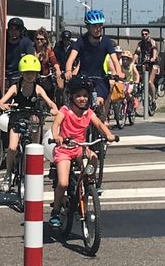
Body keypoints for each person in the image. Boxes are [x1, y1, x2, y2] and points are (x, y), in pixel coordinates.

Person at [48, 75, 117, 227]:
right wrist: (57, 136)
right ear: (71, 97)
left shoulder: (88, 113)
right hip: (64, 149)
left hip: (80, 147)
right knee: (63, 182)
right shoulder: (65, 111)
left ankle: (89, 181)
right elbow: (55, 125)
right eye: (78, 95)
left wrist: (108, 135)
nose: (82, 99)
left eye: (85, 96)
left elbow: (99, 124)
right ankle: (56, 211)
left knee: (93, 157)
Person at [0, 54, 58, 192]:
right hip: (17, 118)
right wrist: (3, 105)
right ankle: (8, 174)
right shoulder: (15, 87)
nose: (30, 75)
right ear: (22, 73)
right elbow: (2, 100)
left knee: (36, 146)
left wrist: (54, 108)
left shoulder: (38, 89)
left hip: (33, 119)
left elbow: (50, 102)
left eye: (32, 72)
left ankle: (32, 171)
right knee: (12, 147)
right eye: (27, 72)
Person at [65, 10, 124, 116]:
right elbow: (71, 59)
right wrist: (68, 71)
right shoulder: (81, 41)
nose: (98, 29)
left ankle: (100, 122)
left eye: (100, 25)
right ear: (88, 27)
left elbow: (115, 59)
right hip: (83, 78)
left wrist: (119, 72)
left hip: (100, 79)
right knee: (79, 104)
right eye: (94, 26)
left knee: (99, 101)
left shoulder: (106, 42)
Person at [34, 27, 63, 101]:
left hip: (45, 79)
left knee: (49, 99)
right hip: (33, 79)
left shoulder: (48, 51)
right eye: (37, 39)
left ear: (45, 40)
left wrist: (58, 70)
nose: (39, 41)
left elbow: (54, 62)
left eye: (41, 39)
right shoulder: (31, 49)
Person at [5, 17, 35, 89]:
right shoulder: (4, 42)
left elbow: (30, 59)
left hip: (20, 76)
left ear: (21, 30)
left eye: (16, 29)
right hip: (5, 76)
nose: (13, 31)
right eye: (11, 29)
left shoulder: (26, 42)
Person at [134, 28, 159, 103]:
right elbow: (136, 53)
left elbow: (154, 49)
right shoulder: (140, 43)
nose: (144, 35)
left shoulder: (152, 42)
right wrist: (133, 62)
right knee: (143, 82)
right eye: (142, 34)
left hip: (153, 64)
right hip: (144, 63)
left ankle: (154, 99)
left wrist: (153, 58)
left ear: (149, 34)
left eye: (146, 34)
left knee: (150, 82)